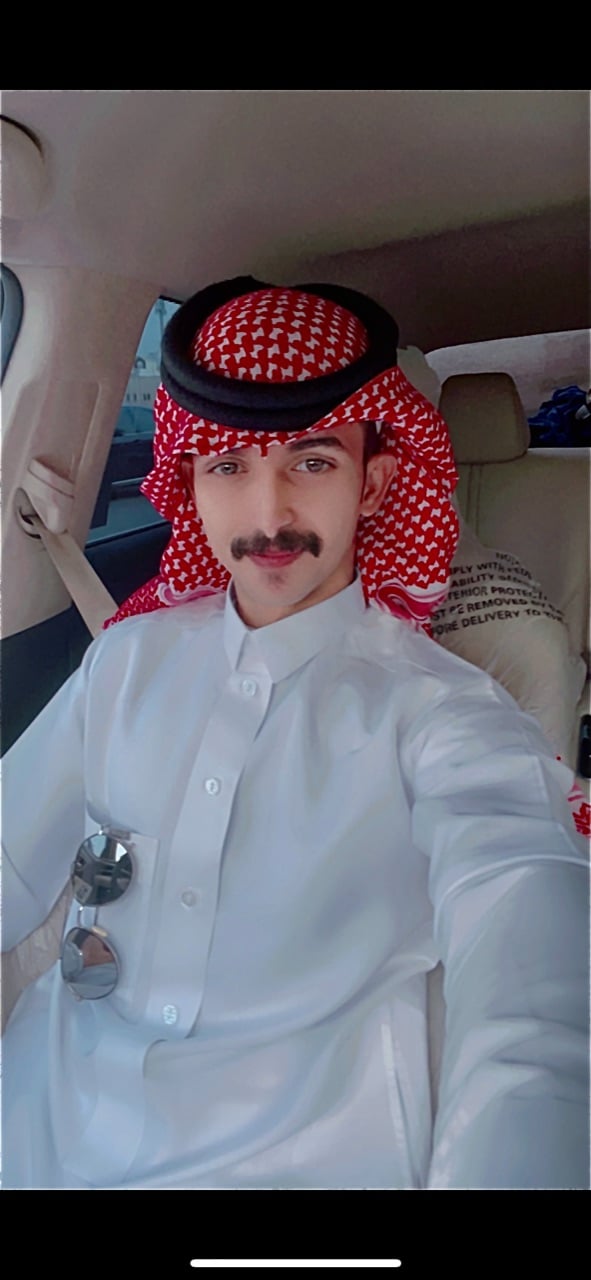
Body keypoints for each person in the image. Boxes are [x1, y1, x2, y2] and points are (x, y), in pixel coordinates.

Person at [2, 277, 588, 1190]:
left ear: (373, 481)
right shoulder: (125, 662)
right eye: (228, 467)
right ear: (188, 483)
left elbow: (532, 967)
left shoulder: (445, 715)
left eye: (311, 462)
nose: (268, 514)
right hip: (42, 1119)